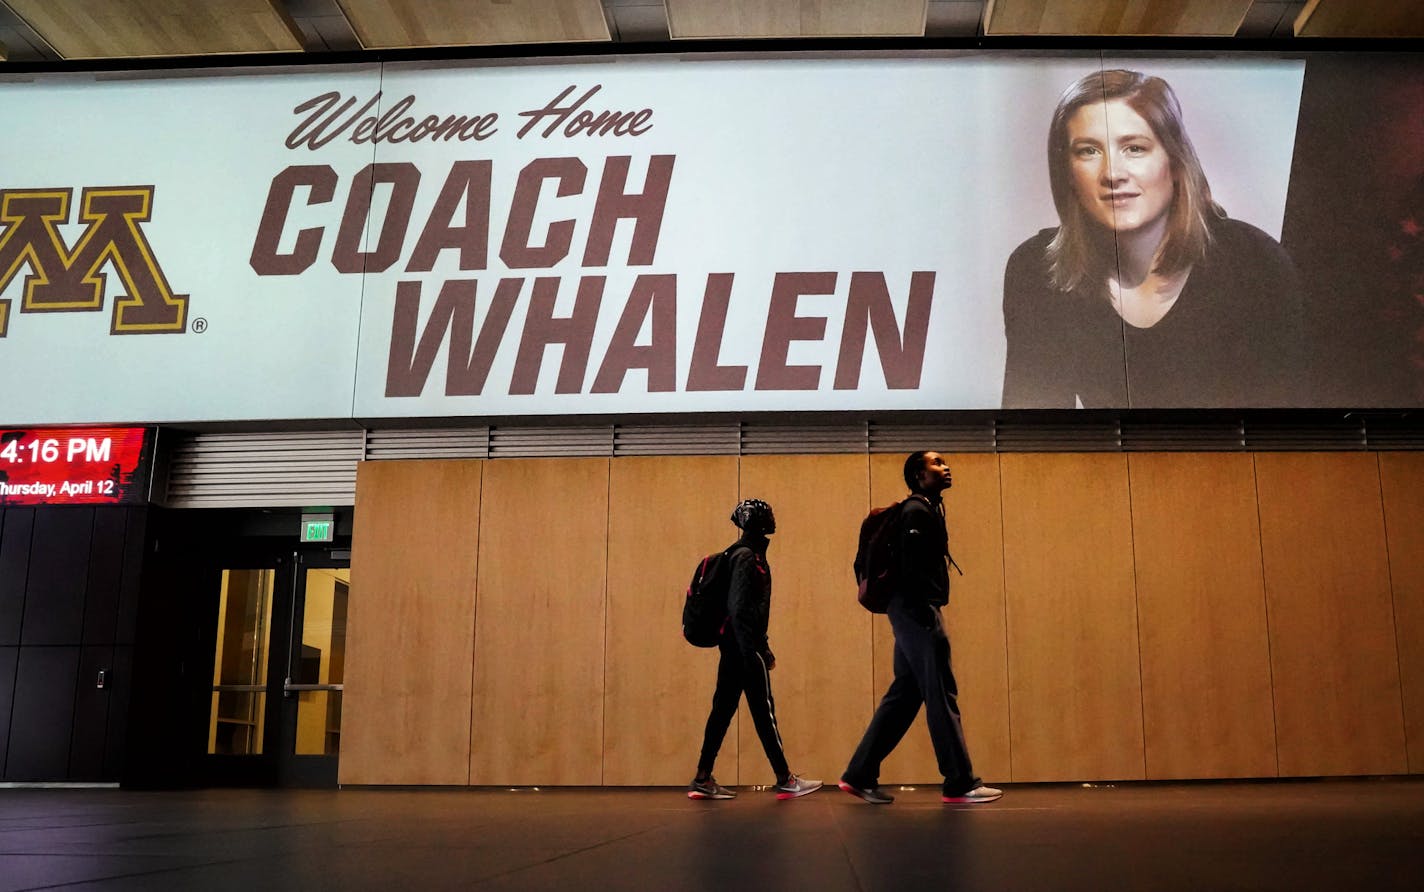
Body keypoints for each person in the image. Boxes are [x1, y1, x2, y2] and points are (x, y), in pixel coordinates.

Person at [1001, 69, 1305, 409]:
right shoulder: (1036, 270)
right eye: (1088, 151)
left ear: (1174, 162)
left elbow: (1288, 436)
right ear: (1067, 172)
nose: (1112, 174)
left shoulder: (1255, 264)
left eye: (1134, 148)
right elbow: (1034, 440)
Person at [840, 452, 1000, 805]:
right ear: (918, 475)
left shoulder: (924, 508)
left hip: (908, 609)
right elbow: (910, 567)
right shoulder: (916, 511)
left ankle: (859, 773)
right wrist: (926, 614)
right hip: (916, 609)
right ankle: (960, 782)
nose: (946, 467)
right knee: (941, 691)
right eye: (937, 464)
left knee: (906, 694)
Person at [687, 498, 822, 801]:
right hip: (743, 649)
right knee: (764, 711)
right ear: (757, 521)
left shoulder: (743, 554)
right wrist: (756, 652)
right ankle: (785, 779)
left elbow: (744, 610)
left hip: (734, 647)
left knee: (722, 712)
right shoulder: (748, 557)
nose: (773, 516)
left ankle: (702, 778)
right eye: (767, 513)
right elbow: (740, 608)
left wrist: (760, 648)